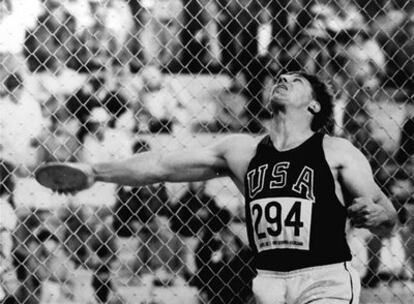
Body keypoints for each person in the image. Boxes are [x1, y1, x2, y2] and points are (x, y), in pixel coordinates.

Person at [44, 72, 397, 304]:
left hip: (324, 277)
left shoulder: (337, 152)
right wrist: (93, 171)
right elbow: (161, 165)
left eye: (297, 80)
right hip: (270, 281)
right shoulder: (240, 150)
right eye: (282, 76)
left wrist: (379, 215)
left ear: (315, 105)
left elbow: (388, 218)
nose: (285, 78)